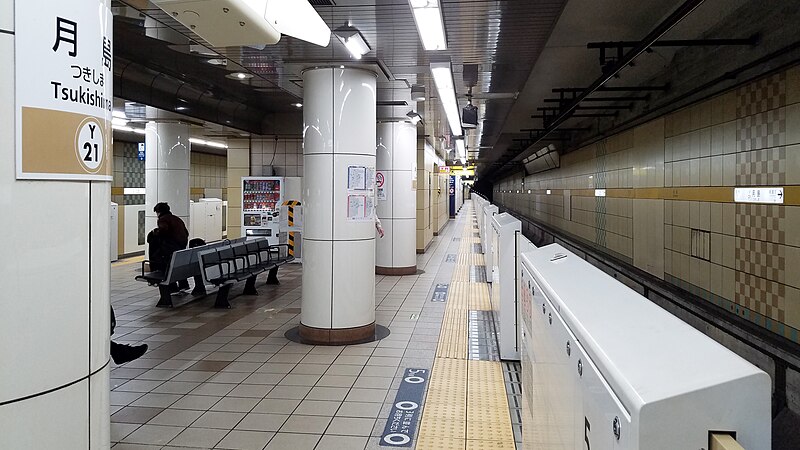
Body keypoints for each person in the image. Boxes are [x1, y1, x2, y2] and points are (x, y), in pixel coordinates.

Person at [147, 202, 189, 272]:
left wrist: (155, 232)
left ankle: (157, 270)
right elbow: (186, 233)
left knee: (155, 252)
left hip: (172, 249)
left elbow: (163, 231)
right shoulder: (177, 219)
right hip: (181, 247)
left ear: (159, 212)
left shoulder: (163, 219)